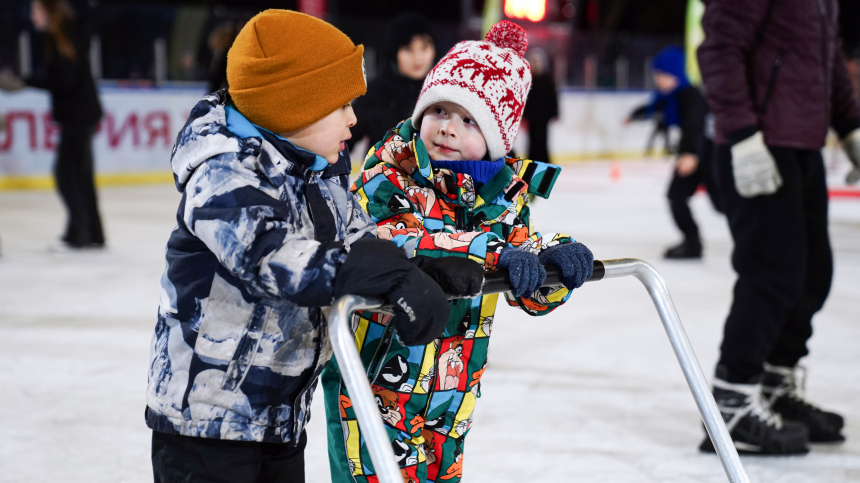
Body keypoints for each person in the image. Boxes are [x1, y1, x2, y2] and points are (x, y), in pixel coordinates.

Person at [144, 10, 480, 483]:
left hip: (280, 419)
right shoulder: (222, 172)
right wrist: (381, 273)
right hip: (206, 428)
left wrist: (423, 265)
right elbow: (267, 253)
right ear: (293, 107)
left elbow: (361, 240)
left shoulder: (319, 174)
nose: (354, 118)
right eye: (341, 105)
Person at [322, 21, 594, 483]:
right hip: (375, 382)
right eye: (440, 111)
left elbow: (521, 276)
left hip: (453, 389)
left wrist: (555, 263)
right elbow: (393, 238)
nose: (448, 128)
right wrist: (490, 252)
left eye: (469, 120)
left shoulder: (504, 197)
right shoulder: (387, 175)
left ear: (497, 136)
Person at [697, 0, 860, 454]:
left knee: (812, 276)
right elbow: (719, 51)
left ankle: (773, 384)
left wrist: (850, 128)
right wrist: (743, 136)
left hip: (801, 145)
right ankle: (732, 400)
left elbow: (827, 63)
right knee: (772, 273)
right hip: (757, 144)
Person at [17, 0, 105, 249]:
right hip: (83, 113)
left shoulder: (63, 35)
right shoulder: (66, 32)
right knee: (81, 175)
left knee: (66, 175)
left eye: (35, 10)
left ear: (48, 11)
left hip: (78, 115)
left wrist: (26, 81)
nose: (32, 15)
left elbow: (64, 79)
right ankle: (93, 234)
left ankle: (80, 234)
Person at [626, 46, 720, 259]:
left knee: (723, 204)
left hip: (706, 157)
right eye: (657, 75)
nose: (658, 80)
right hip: (692, 156)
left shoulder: (692, 95)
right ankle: (692, 243)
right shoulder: (668, 97)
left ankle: (759, 240)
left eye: (662, 75)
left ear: (676, 73)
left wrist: (690, 153)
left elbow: (695, 125)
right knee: (676, 196)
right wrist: (633, 116)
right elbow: (652, 107)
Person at [346, 12, 436, 151]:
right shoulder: (376, 93)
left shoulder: (441, 92)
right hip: (381, 171)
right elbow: (344, 141)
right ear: (394, 53)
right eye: (408, 49)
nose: (418, 58)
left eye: (424, 47)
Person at [521, 47, 558, 163]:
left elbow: (553, 99)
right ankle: (531, 164)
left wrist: (555, 113)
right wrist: (523, 116)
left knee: (543, 142)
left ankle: (544, 163)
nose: (535, 65)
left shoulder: (548, 82)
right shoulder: (528, 82)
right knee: (531, 143)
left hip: (543, 119)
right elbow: (524, 101)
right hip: (531, 119)